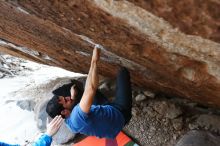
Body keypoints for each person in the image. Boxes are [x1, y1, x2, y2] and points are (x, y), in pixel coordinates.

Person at [46, 46, 132, 139]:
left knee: (86, 87)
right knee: (123, 73)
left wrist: (73, 97)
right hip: (120, 114)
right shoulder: (76, 118)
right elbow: (91, 89)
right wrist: (94, 60)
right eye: (65, 100)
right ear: (64, 111)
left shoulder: (67, 119)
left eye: (64, 97)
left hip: (103, 113)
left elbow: (86, 93)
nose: (67, 97)